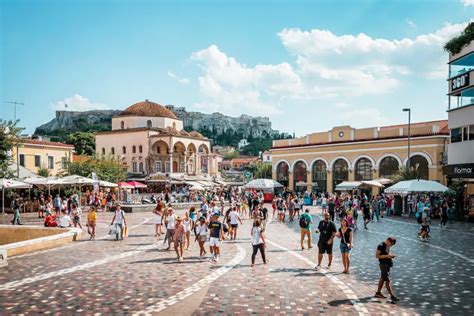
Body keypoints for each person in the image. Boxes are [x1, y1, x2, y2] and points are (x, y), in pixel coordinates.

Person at [375, 237, 399, 303]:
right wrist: (387, 256)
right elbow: (377, 256)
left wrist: (390, 255)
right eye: (391, 244)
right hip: (383, 265)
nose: (391, 246)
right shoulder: (381, 246)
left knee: (383, 278)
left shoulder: (387, 245)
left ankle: (378, 293)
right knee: (387, 280)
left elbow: (386, 253)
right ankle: (392, 296)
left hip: (387, 264)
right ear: (388, 241)